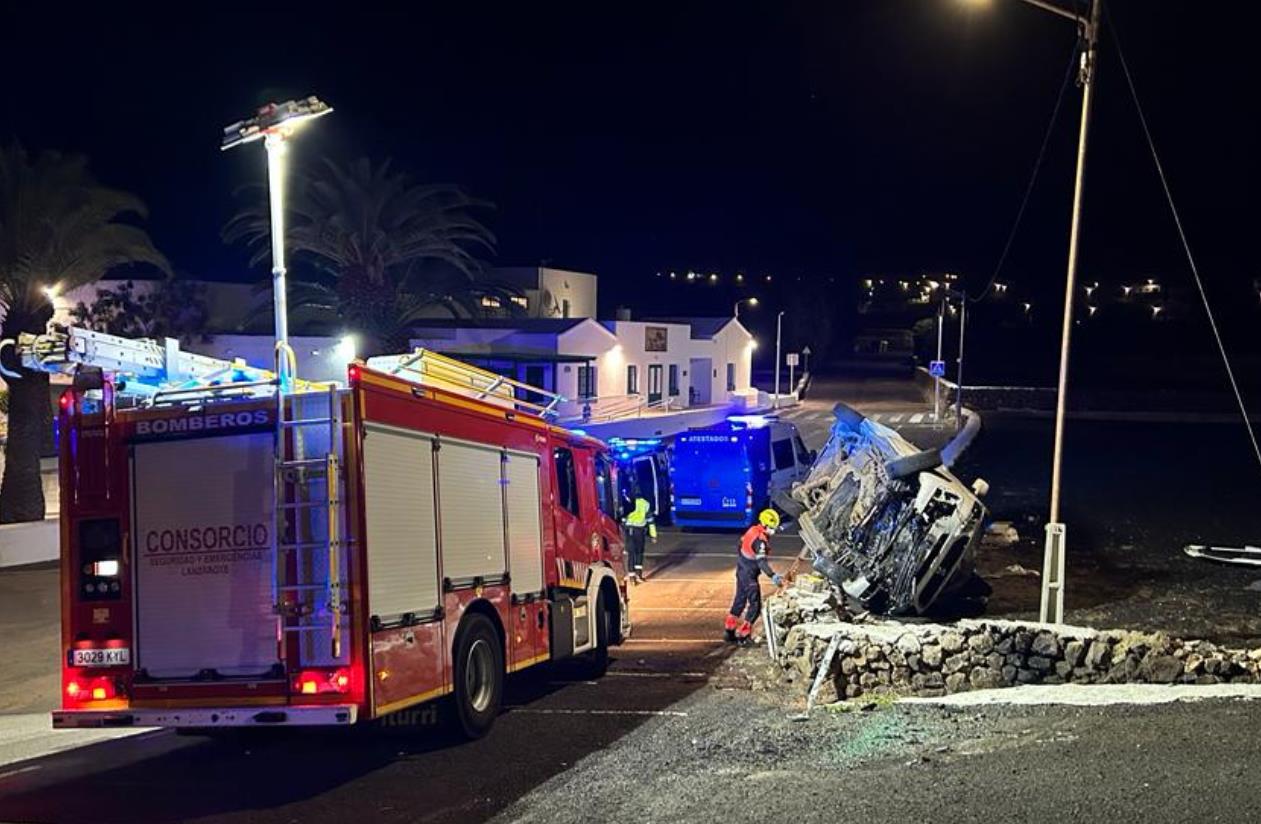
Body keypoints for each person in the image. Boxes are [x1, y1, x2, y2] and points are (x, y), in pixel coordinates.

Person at [724, 509, 784, 644]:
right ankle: (744, 637)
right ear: (764, 525)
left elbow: (740, 545)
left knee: (739, 601)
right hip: (749, 574)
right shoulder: (760, 541)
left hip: (741, 570)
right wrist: (773, 576)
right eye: (772, 528)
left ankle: (729, 631)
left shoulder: (752, 530)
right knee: (755, 605)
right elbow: (761, 562)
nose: (773, 531)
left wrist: (743, 563)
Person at [622, 488, 656, 583]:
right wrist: (653, 535)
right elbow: (650, 521)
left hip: (629, 530)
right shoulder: (645, 504)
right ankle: (639, 575)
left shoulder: (629, 503)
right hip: (639, 531)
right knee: (639, 553)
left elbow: (623, 518)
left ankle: (632, 578)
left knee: (631, 553)